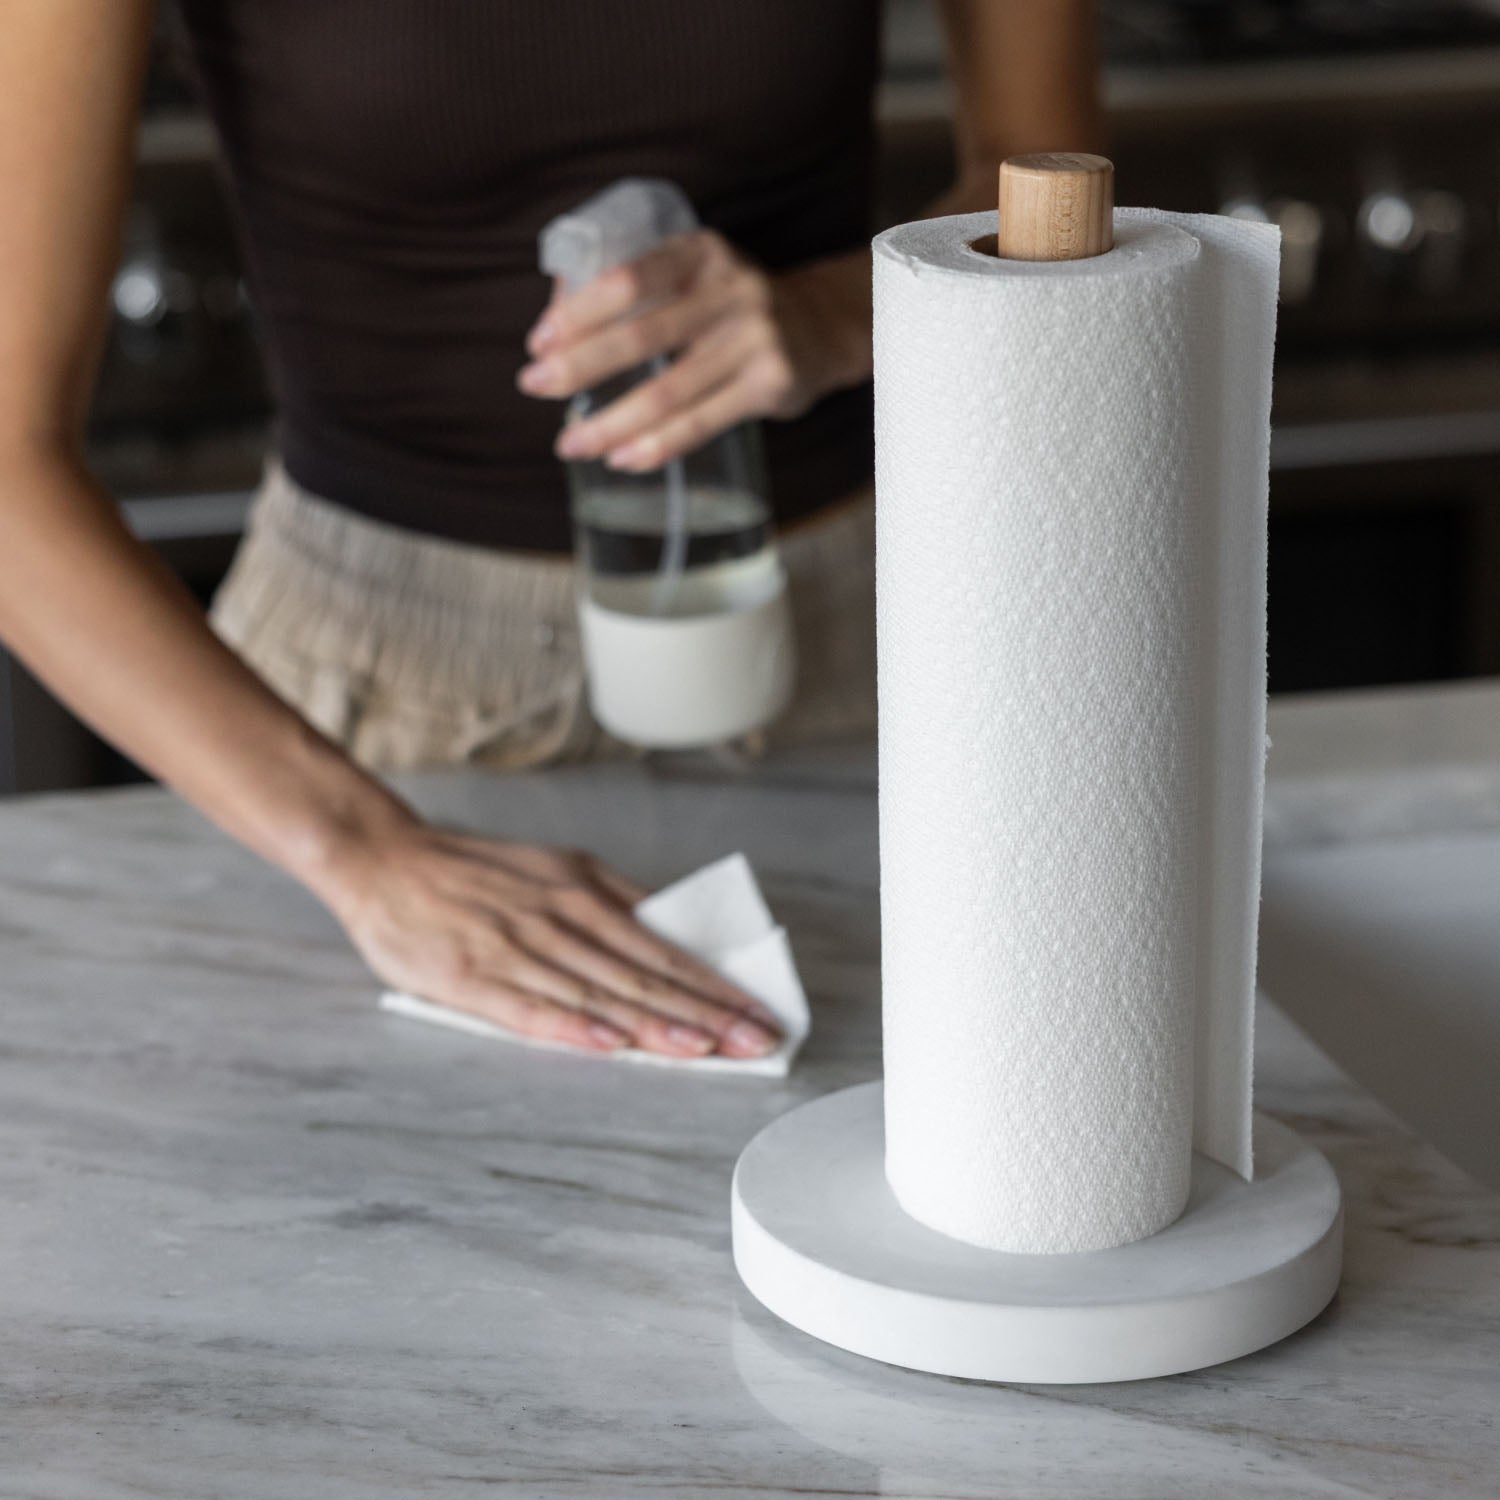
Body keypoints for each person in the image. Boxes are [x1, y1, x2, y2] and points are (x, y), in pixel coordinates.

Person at [0, 2, 1101, 1057]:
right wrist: (362, 849)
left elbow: (1056, 206)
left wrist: (835, 313)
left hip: (868, 650)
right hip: (368, 726)